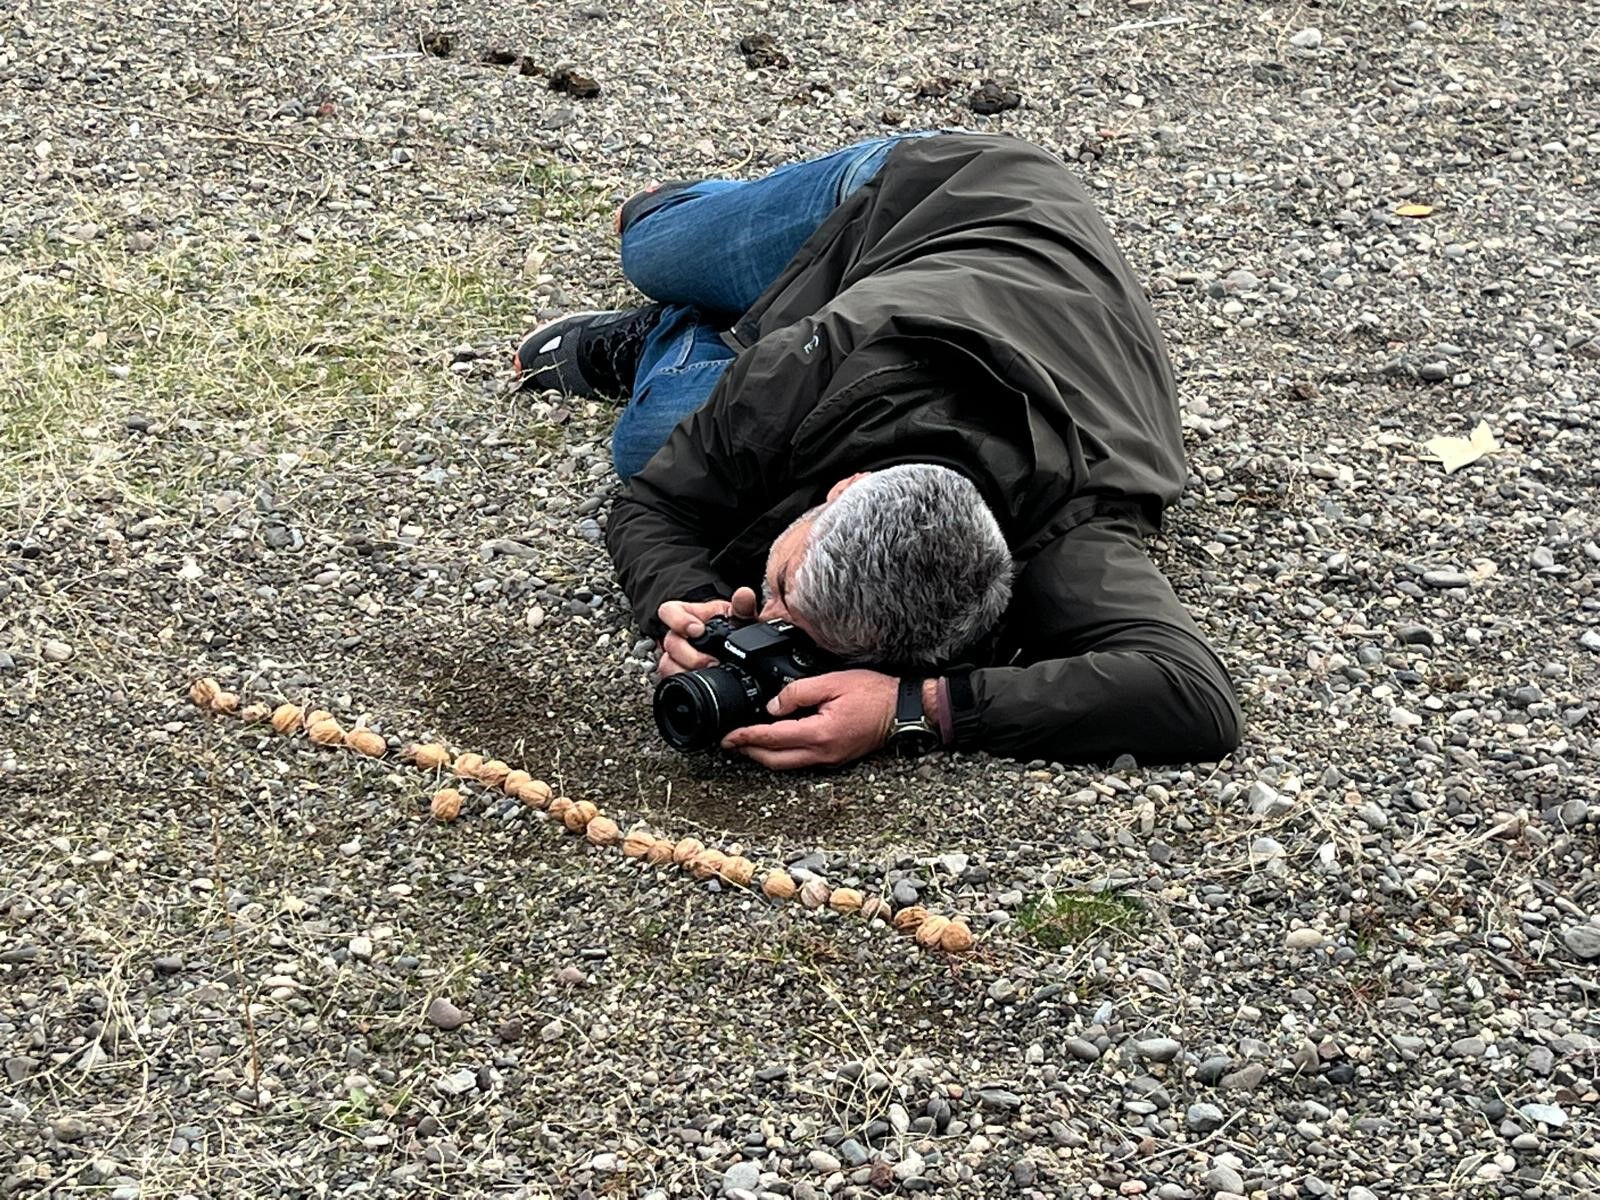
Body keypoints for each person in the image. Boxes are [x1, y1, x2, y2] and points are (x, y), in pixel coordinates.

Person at [513, 131, 1243, 770]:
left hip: (1009, 297)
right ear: (844, 487)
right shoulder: (805, 370)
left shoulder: (1071, 526)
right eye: (784, 598)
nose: (764, 618)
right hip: (937, 189)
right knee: (648, 253)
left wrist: (916, 707)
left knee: (652, 437)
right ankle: (676, 306)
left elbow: (1195, 696)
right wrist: (686, 598)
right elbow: (652, 504)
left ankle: (688, 328)